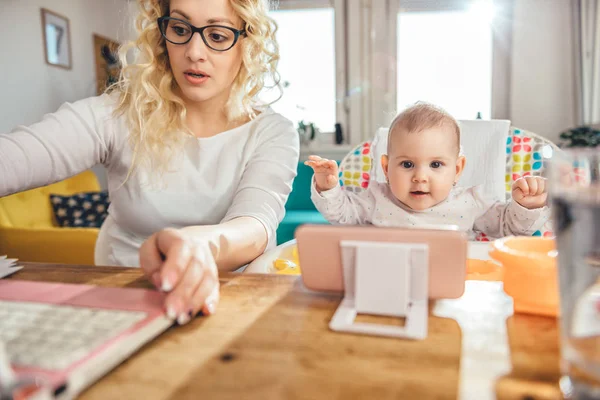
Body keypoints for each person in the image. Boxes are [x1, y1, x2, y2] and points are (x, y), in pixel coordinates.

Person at [0, 0, 299, 324]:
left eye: (216, 35)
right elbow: (16, 157)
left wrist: (197, 245)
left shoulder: (272, 131)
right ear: (162, 33)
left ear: (248, 40)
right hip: (117, 297)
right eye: (181, 29)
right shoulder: (117, 114)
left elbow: (256, 225)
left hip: (223, 305)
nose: (194, 51)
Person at [306, 102, 550, 239]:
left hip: (454, 283)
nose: (420, 177)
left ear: (457, 170)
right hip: (389, 281)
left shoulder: (471, 202)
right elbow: (341, 214)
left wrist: (525, 205)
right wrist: (328, 187)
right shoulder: (376, 198)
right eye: (407, 164)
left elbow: (510, 228)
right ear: (386, 168)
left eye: (435, 165)